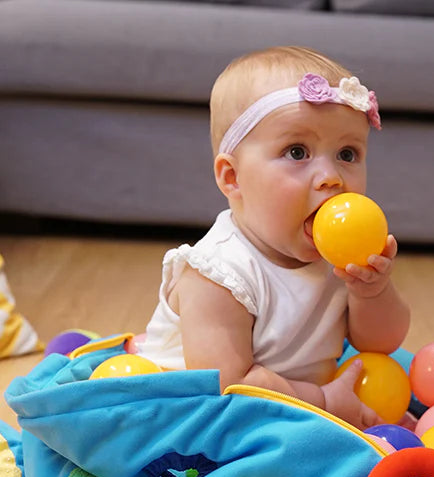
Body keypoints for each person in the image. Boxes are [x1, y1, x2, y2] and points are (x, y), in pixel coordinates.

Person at [138, 46, 410, 430]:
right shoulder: (219, 274)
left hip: (290, 411)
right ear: (233, 178)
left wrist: (372, 291)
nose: (331, 177)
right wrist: (324, 402)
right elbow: (227, 387)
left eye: (347, 154)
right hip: (200, 419)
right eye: (297, 152)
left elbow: (380, 345)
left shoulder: (337, 255)